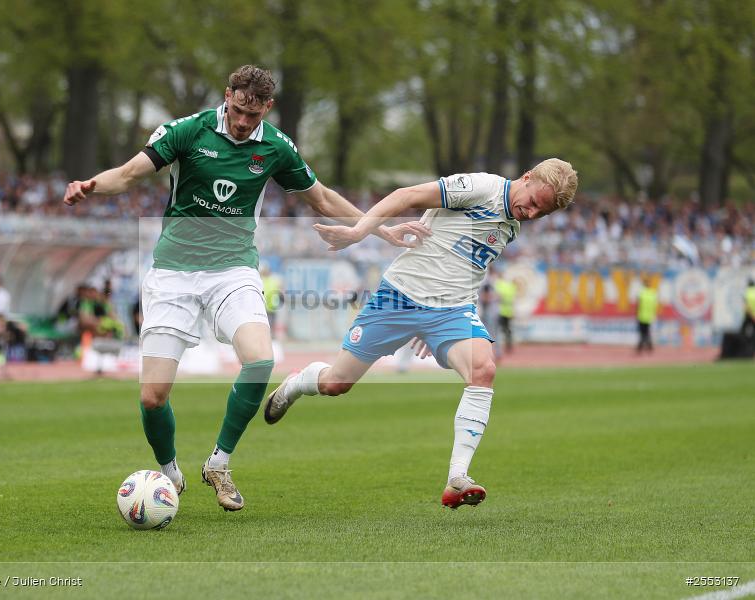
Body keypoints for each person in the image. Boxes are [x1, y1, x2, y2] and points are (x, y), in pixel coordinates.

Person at [63, 65, 426, 511]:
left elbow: (323, 197)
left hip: (232, 269)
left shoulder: (275, 146)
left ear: (266, 109)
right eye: (237, 111)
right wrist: (91, 185)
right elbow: (131, 173)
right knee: (152, 396)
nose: (242, 122)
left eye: (252, 117)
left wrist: (378, 228)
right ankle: (171, 473)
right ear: (227, 96)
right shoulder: (187, 131)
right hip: (173, 272)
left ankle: (219, 463)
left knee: (260, 360)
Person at [265, 158, 578, 510]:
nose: (532, 213)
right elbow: (406, 194)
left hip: (451, 310)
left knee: (483, 370)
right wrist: (358, 232)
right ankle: (297, 382)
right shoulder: (481, 188)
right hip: (399, 296)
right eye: (535, 202)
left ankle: (457, 478)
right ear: (526, 177)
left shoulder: (511, 224)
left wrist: (431, 326)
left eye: (543, 212)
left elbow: (468, 270)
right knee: (337, 383)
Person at [494, 274, 517, 353]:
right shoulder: (510, 286)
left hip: (500, 311)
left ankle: (497, 348)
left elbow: (498, 297)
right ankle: (509, 345)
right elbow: (513, 300)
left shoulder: (498, 285)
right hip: (508, 312)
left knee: (497, 330)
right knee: (507, 330)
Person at [636, 276, 658, 354]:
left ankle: (640, 348)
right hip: (649, 317)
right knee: (647, 332)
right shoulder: (653, 293)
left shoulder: (642, 293)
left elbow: (638, 305)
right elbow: (655, 306)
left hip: (642, 316)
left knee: (642, 333)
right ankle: (649, 347)